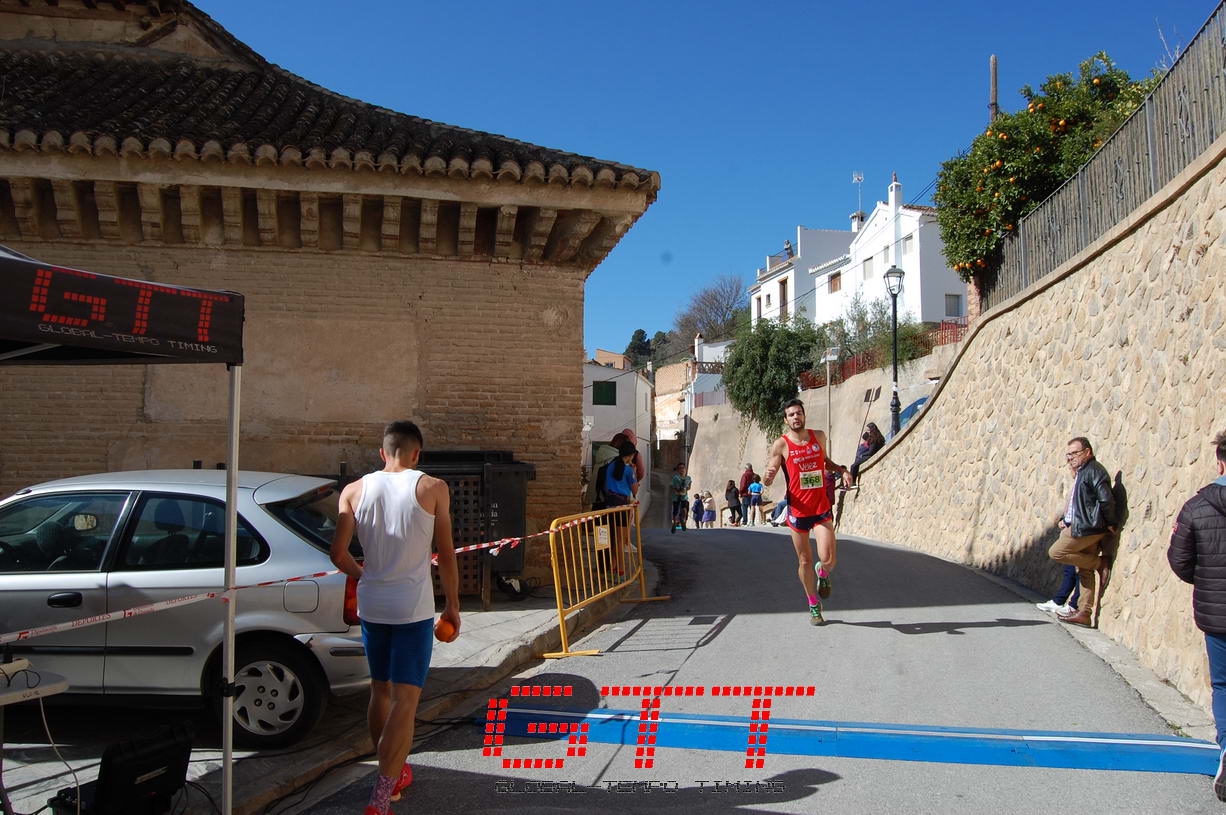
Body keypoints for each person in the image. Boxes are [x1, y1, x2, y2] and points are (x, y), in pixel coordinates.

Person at [329, 421, 460, 815]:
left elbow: (337, 554)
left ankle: (393, 773)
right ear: (417, 453)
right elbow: (446, 553)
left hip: (372, 604)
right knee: (406, 700)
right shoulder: (433, 488)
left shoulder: (353, 490)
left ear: (382, 452)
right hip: (412, 608)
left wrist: (363, 575)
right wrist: (453, 605)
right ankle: (381, 795)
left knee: (380, 691)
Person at [1168, 429, 1226, 800]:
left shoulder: (1196, 507)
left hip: (1217, 614)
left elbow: (1180, 560)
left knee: (1223, 685)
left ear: (1220, 463)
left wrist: (1206, 581)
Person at [763, 399, 849, 626]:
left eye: (798, 413)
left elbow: (825, 461)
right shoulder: (781, 445)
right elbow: (770, 472)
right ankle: (813, 605)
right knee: (804, 561)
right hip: (798, 512)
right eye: (791, 414)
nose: (796, 417)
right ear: (786, 420)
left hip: (820, 508)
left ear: (804, 415)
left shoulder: (818, 436)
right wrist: (768, 477)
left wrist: (841, 470)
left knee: (828, 559)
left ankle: (823, 573)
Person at [1048, 436, 1117, 628]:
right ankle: (1084, 613)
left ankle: (1100, 563)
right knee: (1084, 570)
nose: (1071, 457)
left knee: (1056, 552)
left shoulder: (1094, 471)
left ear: (1088, 452)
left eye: (1075, 453)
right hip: (1082, 525)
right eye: (1068, 454)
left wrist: (1111, 522)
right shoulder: (1083, 471)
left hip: (1086, 527)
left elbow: (1105, 499)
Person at [670, 463, 692, 533]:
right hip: (676, 496)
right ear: (678, 470)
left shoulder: (688, 478)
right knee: (675, 511)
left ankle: (683, 521)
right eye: (680, 468)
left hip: (684, 496)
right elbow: (672, 486)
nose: (682, 469)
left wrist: (686, 488)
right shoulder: (675, 478)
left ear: (685, 469)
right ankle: (674, 523)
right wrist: (677, 490)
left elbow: (689, 486)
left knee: (684, 509)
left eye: (683, 468)